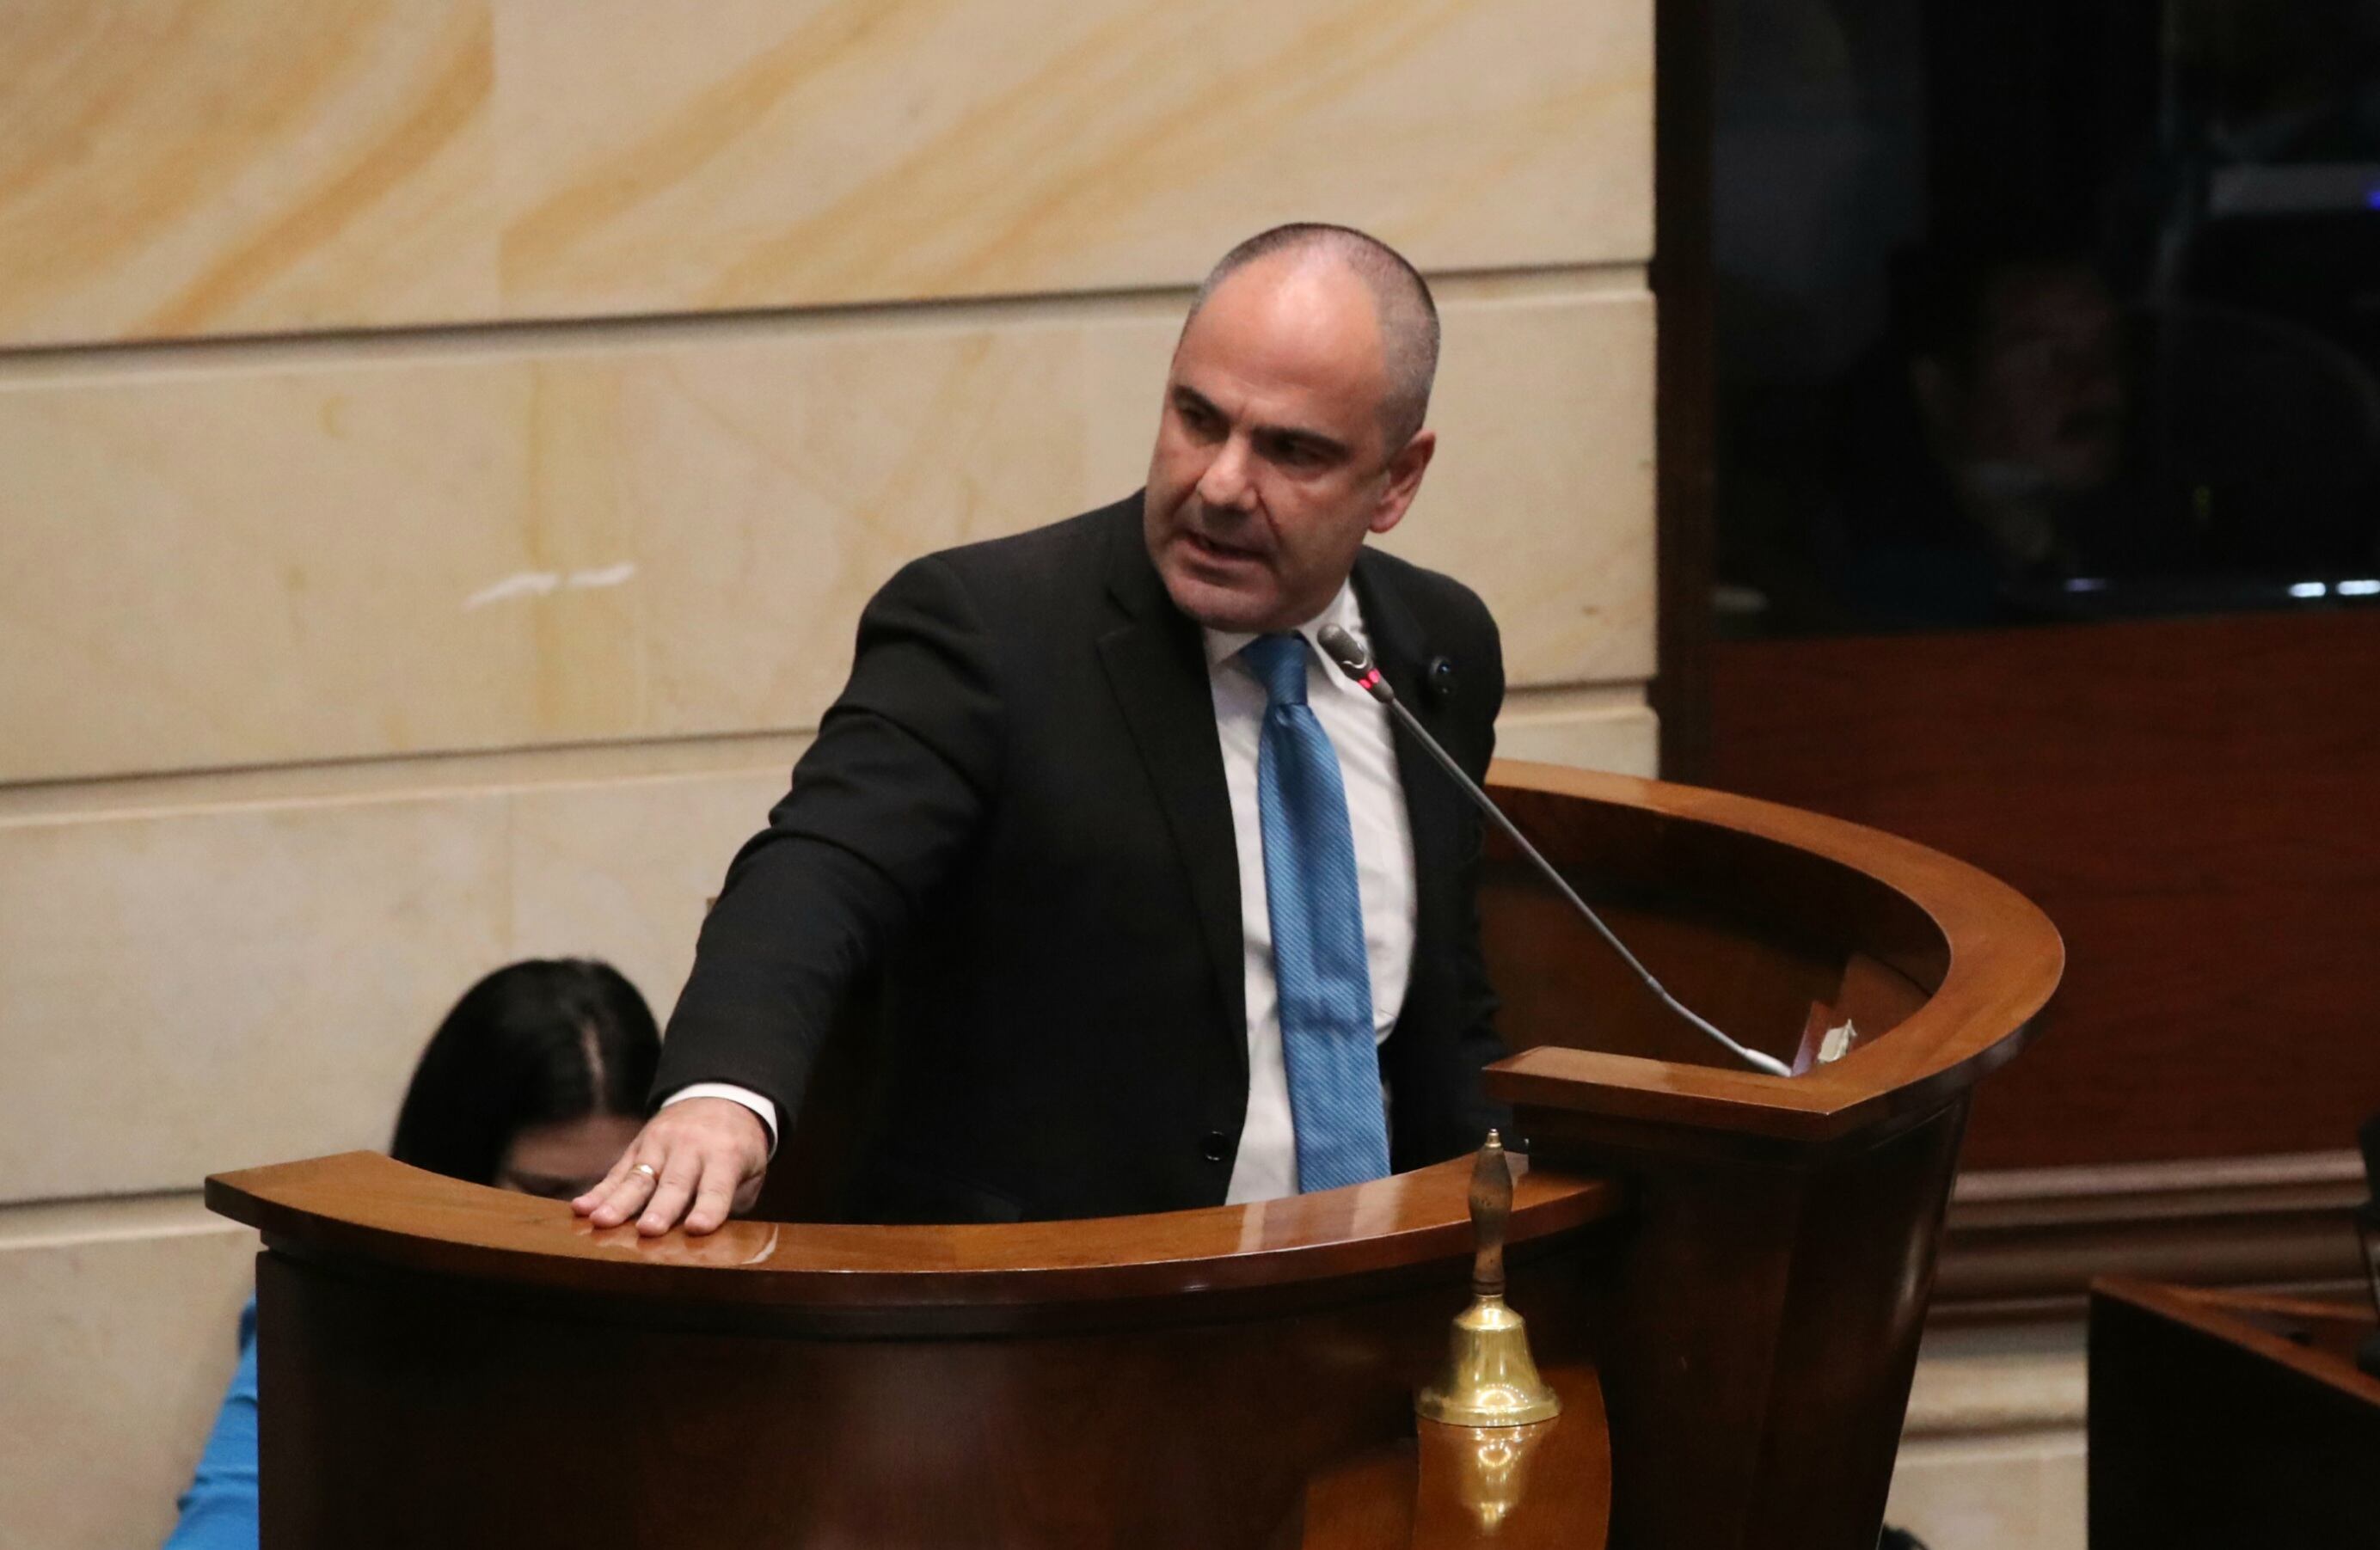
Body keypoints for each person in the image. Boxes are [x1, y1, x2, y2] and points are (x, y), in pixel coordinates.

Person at [576, 223, 1512, 1237]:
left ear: (1397, 480)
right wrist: (722, 1094)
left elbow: (1438, 1005)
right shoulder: (990, 630)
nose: (1221, 486)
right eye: (1198, 419)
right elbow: (815, 871)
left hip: (1373, 1294)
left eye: (1292, 451)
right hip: (1056, 1318)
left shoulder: (1434, 646)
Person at [163, 959, 659, 1550]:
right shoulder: (337, 1295)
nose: (594, 1223)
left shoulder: (694, 1307)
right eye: (549, 1192)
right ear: (461, 1173)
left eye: (627, 1186)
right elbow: (231, 1518)